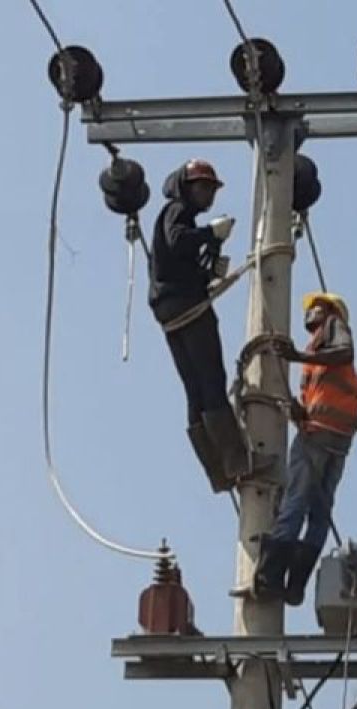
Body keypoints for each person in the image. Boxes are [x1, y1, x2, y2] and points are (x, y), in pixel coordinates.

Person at [149, 158, 260, 493]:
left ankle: (218, 470)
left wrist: (211, 255)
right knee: (211, 379)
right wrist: (209, 232)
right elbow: (178, 240)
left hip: (169, 307)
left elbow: (181, 256)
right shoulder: (177, 211)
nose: (208, 195)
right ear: (186, 186)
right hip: (185, 304)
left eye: (211, 189)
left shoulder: (179, 216)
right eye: (203, 187)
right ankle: (236, 460)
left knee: (195, 388)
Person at [253, 292, 357, 605]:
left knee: (295, 502)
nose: (311, 312)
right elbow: (320, 401)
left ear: (331, 311)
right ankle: (296, 584)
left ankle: (271, 575)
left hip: (320, 437)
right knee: (319, 513)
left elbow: (345, 351)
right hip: (337, 442)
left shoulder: (333, 329)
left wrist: (297, 356)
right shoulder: (315, 368)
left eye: (317, 307)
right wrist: (295, 410)